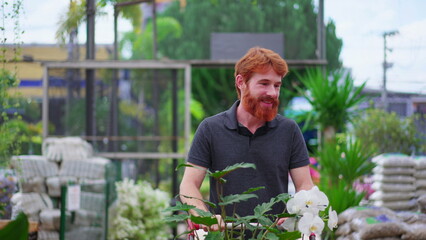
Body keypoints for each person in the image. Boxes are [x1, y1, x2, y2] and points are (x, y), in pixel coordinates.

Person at [179, 47, 314, 232]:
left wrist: (296, 213)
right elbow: (189, 184)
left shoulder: (289, 130)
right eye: (264, 83)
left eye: (277, 85)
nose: (273, 93)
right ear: (241, 82)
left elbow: (305, 184)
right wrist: (204, 216)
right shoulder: (210, 129)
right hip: (223, 235)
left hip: (273, 235)